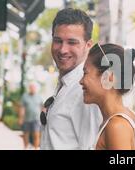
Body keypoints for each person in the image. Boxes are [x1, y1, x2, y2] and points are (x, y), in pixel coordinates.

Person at [40, 8, 102, 150]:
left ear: (88, 45)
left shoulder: (87, 90)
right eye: (58, 41)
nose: (63, 49)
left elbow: (90, 147)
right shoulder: (64, 82)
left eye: (72, 42)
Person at [80, 43, 135, 150]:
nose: (81, 81)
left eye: (85, 73)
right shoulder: (125, 116)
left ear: (109, 77)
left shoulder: (117, 126)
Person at [19, 83, 43, 150]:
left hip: (36, 119)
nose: (32, 89)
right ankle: (26, 147)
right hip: (26, 119)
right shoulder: (25, 96)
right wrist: (21, 118)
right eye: (31, 87)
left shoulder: (39, 96)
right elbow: (22, 108)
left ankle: (36, 148)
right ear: (29, 88)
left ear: (36, 88)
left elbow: (42, 107)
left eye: (34, 87)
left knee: (36, 134)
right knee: (26, 135)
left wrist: (43, 118)